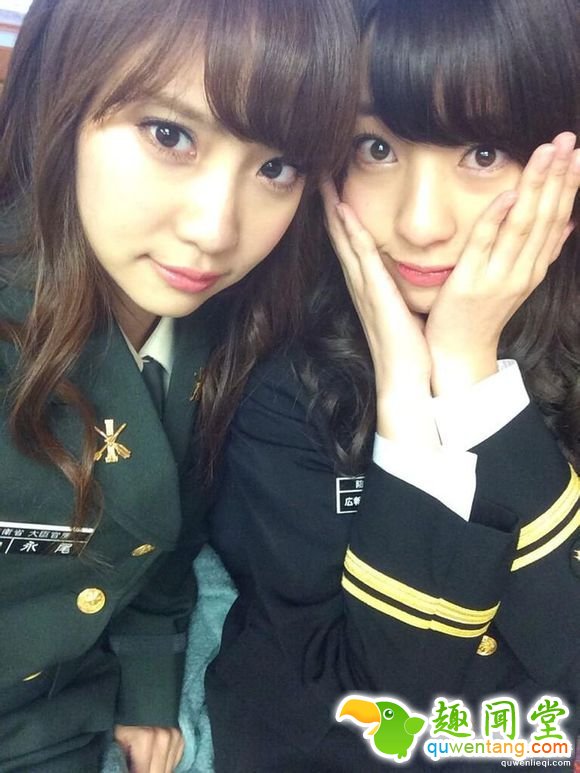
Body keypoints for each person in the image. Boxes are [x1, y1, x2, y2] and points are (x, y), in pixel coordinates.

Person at [202, 0, 580, 770]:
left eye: (481, 152)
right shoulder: (283, 384)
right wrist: (406, 400)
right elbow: (386, 703)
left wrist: (468, 367)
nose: (420, 222)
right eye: (376, 147)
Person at [0, 0, 358, 770]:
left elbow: (163, 534)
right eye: (169, 134)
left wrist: (147, 681)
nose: (215, 229)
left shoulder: (222, 329)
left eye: (276, 167)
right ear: (62, 97)